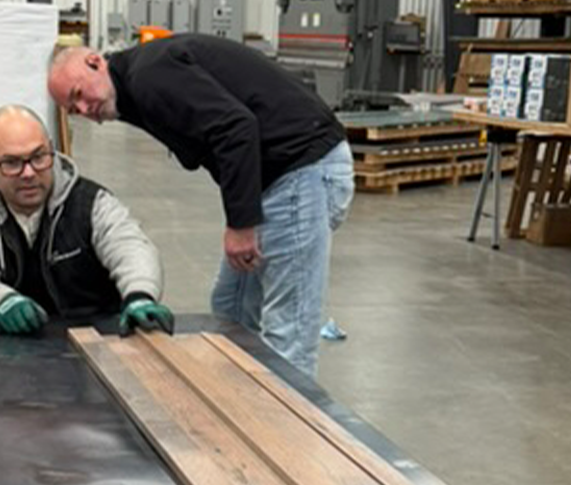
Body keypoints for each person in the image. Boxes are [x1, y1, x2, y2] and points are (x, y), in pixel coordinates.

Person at [47, 34, 354, 378]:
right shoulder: (133, 87)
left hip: (302, 169)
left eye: (79, 95)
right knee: (230, 307)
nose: (86, 110)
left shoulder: (149, 77)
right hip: (272, 179)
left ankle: (284, 424)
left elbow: (236, 128)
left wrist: (240, 225)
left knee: (289, 333)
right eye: (74, 110)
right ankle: (240, 399)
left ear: (94, 62)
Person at [0, 104, 173, 337]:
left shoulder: (91, 204)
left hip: (98, 342)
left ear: (52, 149)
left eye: (38, 157)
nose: (28, 173)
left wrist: (140, 295)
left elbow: (130, 247)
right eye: (12, 163)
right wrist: (0, 300)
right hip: (8, 349)